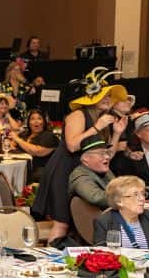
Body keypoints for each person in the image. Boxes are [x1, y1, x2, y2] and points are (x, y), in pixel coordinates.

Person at [31, 72, 130, 244]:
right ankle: (52, 261)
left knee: (76, 222)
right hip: (64, 169)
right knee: (62, 222)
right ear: (91, 97)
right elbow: (72, 145)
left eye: (109, 95)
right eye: (104, 94)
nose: (108, 98)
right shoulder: (78, 115)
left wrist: (116, 134)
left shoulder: (103, 120)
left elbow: (107, 155)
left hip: (84, 170)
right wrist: (96, 128)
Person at [92, 176, 149, 249]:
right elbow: (100, 253)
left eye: (143, 194)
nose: (142, 199)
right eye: (135, 195)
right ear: (119, 201)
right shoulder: (104, 222)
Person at [9, 108, 59, 184]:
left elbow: (37, 151)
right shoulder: (24, 134)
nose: (36, 121)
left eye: (39, 118)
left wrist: (18, 140)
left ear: (44, 122)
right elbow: (11, 147)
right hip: (19, 169)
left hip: (40, 173)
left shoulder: (49, 136)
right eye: (32, 119)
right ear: (29, 123)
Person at [69, 138, 115, 209]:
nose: (107, 157)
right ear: (85, 159)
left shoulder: (104, 170)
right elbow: (97, 198)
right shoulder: (80, 176)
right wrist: (126, 196)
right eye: (101, 153)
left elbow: (118, 186)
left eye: (107, 153)